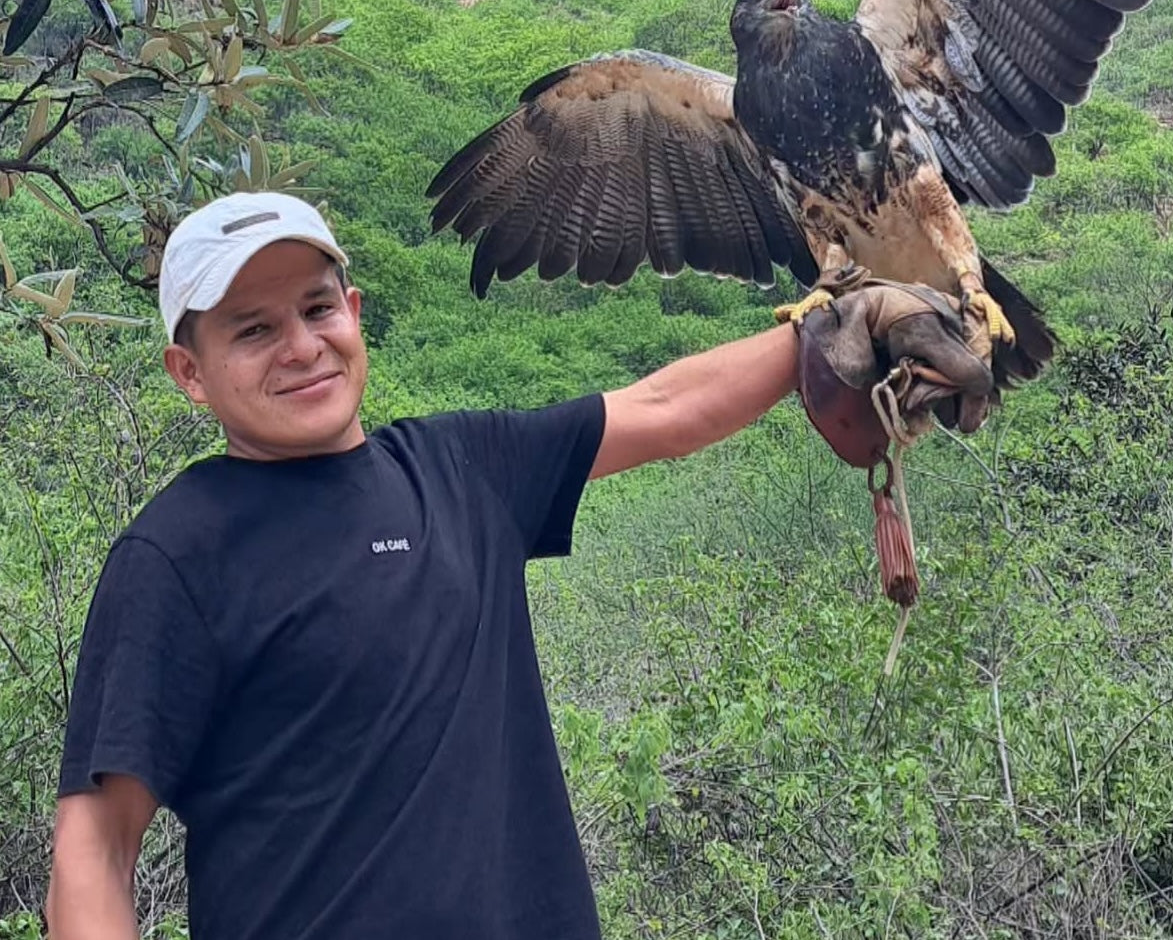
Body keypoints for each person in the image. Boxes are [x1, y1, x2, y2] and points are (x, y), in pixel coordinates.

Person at [46, 192, 993, 940]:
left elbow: (664, 407)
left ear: (354, 311)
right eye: (251, 329)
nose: (301, 346)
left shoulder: (460, 470)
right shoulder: (175, 553)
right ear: (189, 370)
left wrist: (824, 329)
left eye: (315, 307)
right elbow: (95, 849)